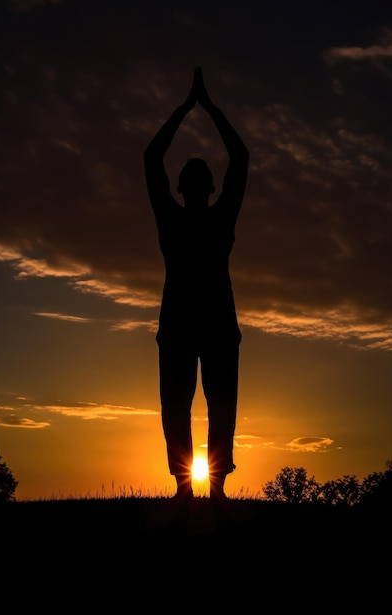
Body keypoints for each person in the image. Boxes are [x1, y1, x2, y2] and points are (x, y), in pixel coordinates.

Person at [144, 66, 249, 503]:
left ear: (190, 186)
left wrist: (192, 108)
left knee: (204, 405)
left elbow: (153, 159)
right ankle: (191, 487)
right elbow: (238, 158)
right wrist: (200, 108)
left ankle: (208, 486)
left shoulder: (186, 219)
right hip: (194, 324)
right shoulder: (199, 218)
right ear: (205, 186)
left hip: (206, 323)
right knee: (182, 405)